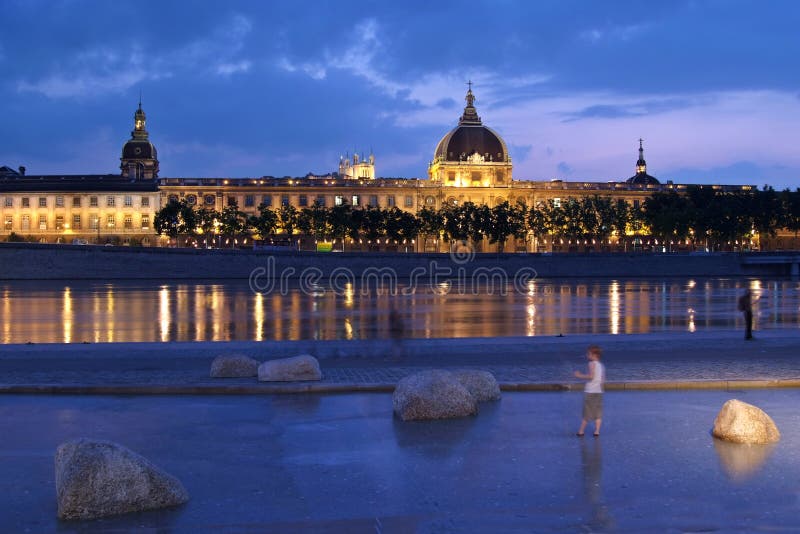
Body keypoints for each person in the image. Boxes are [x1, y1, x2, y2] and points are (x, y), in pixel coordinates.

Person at [575, 345, 605, 437]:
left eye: (588, 353)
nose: (587, 355)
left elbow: (591, 376)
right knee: (598, 413)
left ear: (593, 355)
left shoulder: (591, 364)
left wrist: (579, 375)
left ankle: (581, 431)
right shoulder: (601, 366)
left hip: (590, 391)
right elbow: (603, 379)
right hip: (599, 392)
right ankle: (597, 431)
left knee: (587, 412)